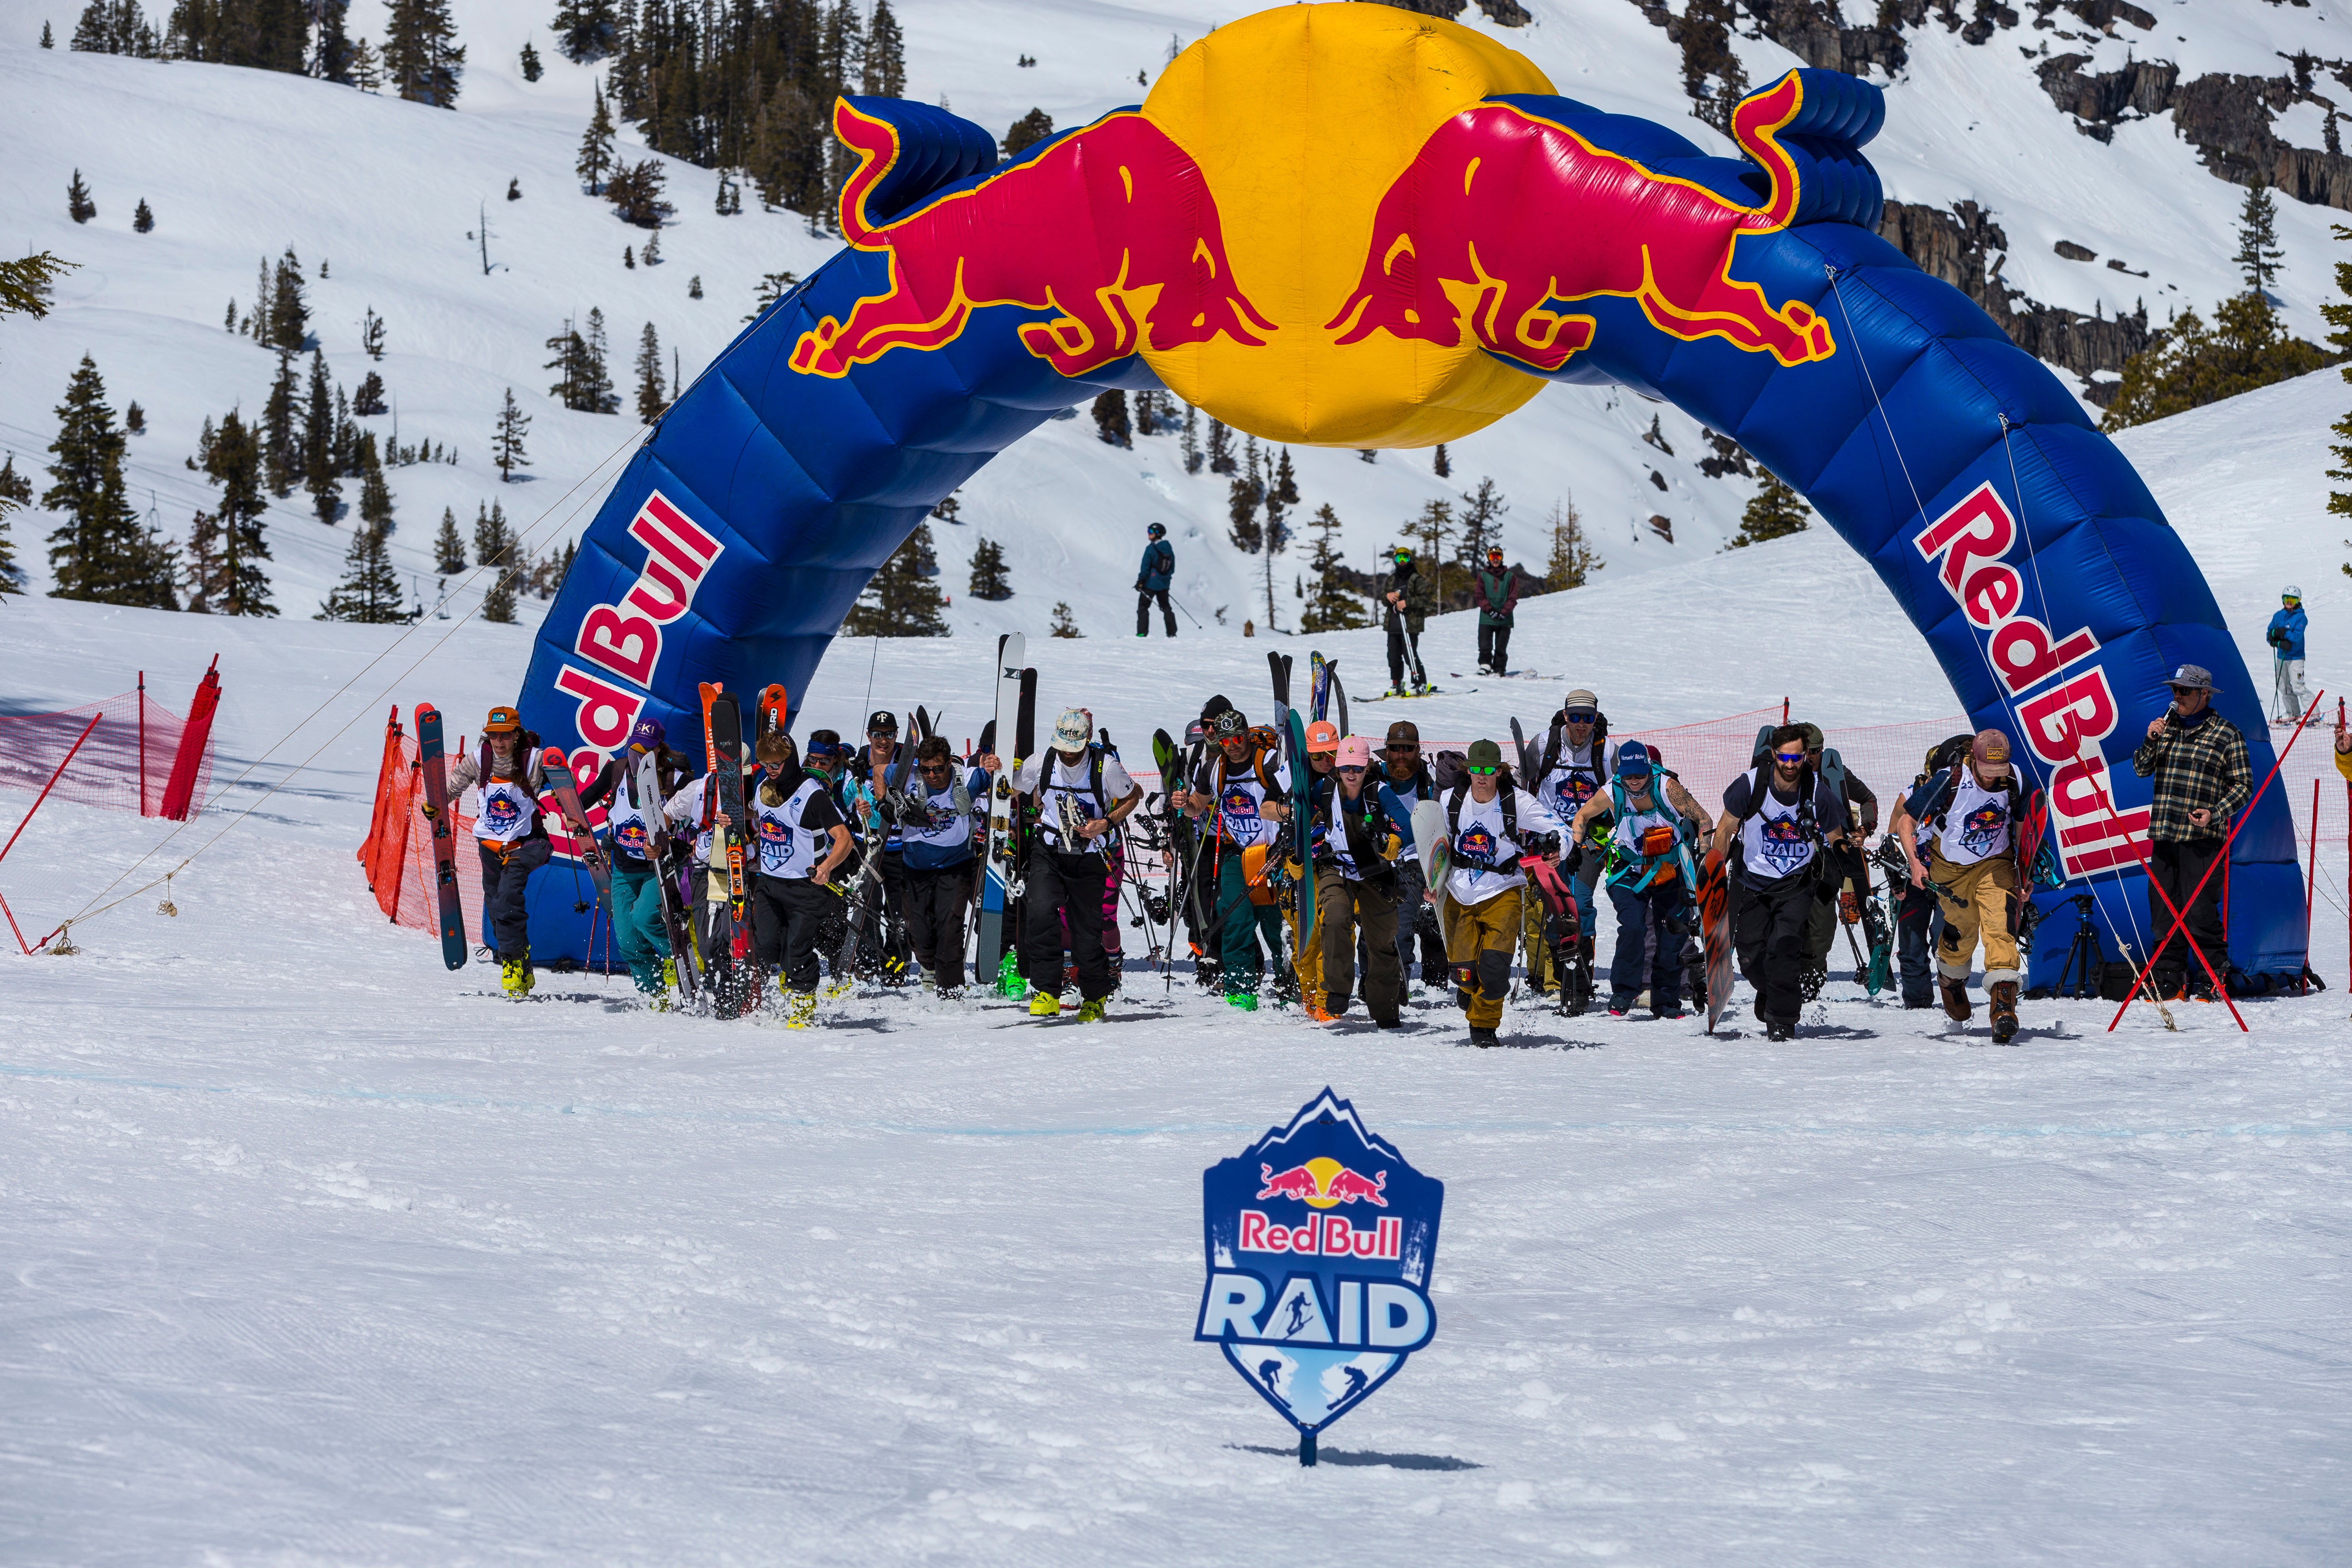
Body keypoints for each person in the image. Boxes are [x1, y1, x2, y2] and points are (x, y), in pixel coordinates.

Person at [1711, 723, 1851, 1040]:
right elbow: (1724, 830)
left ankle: (1782, 1021)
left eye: (1797, 758)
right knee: (1749, 957)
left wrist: (1846, 857)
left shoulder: (1817, 792)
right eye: (1784, 758)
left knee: (1785, 949)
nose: (1790, 765)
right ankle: (1775, 992)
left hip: (1796, 885)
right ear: (1774, 754)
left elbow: (1835, 837)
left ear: (1806, 757)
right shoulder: (1750, 785)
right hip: (1753, 884)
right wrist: (1716, 871)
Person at [1430, 738, 1564, 1046]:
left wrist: (1558, 848)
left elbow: (1558, 829)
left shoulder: (1516, 802)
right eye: (1475, 768)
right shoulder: (1451, 800)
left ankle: (1484, 1027)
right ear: (1468, 769)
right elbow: (1436, 848)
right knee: (1463, 973)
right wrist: (1432, 884)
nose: (1482, 775)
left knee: (1493, 969)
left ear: (1499, 772)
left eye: (1489, 769)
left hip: (1503, 889)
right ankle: (1470, 992)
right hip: (1459, 891)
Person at [1013, 708, 1144, 1019]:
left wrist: (1105, 823)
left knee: (1087, 933)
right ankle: (1046, 991)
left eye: (1074, 751)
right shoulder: (1041, 762)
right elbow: (1012, 789)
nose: (1067, 756)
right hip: (1049, 849)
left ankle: (1095, 998)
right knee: (1041, 912)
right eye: (1063, 749)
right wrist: (996, 772)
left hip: (1088, 856)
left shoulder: (1105, 767)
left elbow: (1132, 796)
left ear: (1087, 741)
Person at [2131, 664, 2251, 1000]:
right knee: (2163, 912)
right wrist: (2150, 738)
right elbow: (2141, 768)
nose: (2177, 697)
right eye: (2175, 690)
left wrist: (2215, 813)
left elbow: (2243, 785)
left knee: (2199, 910)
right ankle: (2170, 980)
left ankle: (2214, 976)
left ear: (2203, 695)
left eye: (2184, 691)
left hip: (2202, 838)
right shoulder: (2165, 728)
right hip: (2165, 834)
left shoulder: (2226, 734)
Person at [1899, 729, 2027, 1041]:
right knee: (1962, 931)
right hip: (1951, 870)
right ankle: (1951, 981)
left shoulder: (2016, 780)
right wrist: (1915, 863)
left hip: (1995, 863)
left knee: (2001, 925)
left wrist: (2025, 872)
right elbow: (1906, 821)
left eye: (2000, 770)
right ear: (1974, 761)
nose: (1993, 777)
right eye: (1987, 771)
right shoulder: (1950, 779)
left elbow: (2024, 827)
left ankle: (2003, 1010)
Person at [1569, 740, 1700, 1019]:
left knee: (1672, 933)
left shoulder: (1667, 788)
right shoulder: (1613, 789)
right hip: (1629, 871)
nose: (1635, 781)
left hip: (1670, 870)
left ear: (1649, 770)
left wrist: (1706, 854)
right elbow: (1582, 815)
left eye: (1640, 775)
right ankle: (1623, 993)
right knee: (1633, 926)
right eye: (1629, 776)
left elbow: (1704, 819)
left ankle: (1666, 1001)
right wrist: (1575, 847)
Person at [1175, 706, 1292, 1009]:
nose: (1234, 745)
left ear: (1247, 735)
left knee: (1274, 925)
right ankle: (1240, 987)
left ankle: (1288, 985)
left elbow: (1294, 791)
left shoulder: (1267, 762)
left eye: (1239, 738)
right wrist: (1182, 804)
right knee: (1236, 921)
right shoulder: (1215, 769)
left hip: (1274, 854)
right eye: (1227, 741)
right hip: (1237, 855)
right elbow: (1197, 805)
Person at [575, 717, 689, 1003]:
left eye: (646, 750)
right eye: (634, 748)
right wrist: (572, 811)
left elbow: (696, 814)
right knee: (626, 938)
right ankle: (654, 994)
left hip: (657, 870)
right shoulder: (616, 770)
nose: (639, 755)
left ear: (659, 750)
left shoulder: (674, 779)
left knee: (645, 918)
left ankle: (681, 958)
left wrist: (670, 845)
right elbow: (586, 798)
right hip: (625, 867)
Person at [441, 705, 552, 997]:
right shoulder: (480, 759)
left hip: (527, 844)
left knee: (505, 902)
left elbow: (566, 787)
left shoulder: (535, 760)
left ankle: (512, 966)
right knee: (496, 909)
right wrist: (437, 803)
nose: (499, 742)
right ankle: (523, 964)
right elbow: (454, 785)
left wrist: (565, 800)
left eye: (504, 735)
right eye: (493, 735)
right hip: (490, 846)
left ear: (516, 735)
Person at [748, 730, 853, 1026]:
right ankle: (790, 972)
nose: (771, 771)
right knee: (767, 946)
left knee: (797, 947)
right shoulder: (763, 789)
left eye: (776, 765)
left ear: (791, 760)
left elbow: (844, 839)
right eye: (766, 765)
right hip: (769, 883)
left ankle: (802, 1002)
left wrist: (827, 866)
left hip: (806, 888)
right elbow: (757, 818)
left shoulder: (811, 795)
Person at [1314, 735, 1409, 1026]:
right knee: (1335, 916)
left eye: (1357, 767)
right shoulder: (1326, 788)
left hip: (1374, 869)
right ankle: (1338, 990)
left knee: (1381, 939)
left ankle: (1385, 1007)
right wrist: (1298, 854)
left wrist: (1395, 841)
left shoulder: (1379, 792)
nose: (1351, 774)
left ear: (1367, 767)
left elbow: (1407, 825)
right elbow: (1303, 818)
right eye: (1345, 768)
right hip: (1337, 866)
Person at [1529, 693, 1610, 1004]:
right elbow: (1524, 783)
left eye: (1588, 718)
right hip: (1550, 839)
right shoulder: (1544, 744)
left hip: (1589, 840)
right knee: (1553, 905)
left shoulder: (1605, 751)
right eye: (1575, 717)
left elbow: (1623, 789)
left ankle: (1581, 977)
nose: (1581, 724)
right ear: (1565, 715)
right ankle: (1559, 977)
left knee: (1579, 900)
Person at [1792, 721, 1880, 996]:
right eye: (1805, 751)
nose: (1810, 758)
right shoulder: (1785, 774)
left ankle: (1812, 975)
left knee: (1821, 923)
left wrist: (1865, 828)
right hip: (1790, 857)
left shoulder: (1835, 773)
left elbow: (1868, 799)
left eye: (1815, 751)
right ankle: (1785, 975)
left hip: (1830, 860)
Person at [899, 735, 989, 993]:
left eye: (939, 768)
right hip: (916, 866)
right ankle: (928, 964)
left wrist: (994, 764)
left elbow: (996, 774)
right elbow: (882, 771)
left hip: (955, 864)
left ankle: (951, 989)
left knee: (950, 924)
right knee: (919, 927)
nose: (933, 775)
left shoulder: (966, 779)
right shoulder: (910, 778)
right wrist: (885, 801)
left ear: (949, 763)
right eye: (926, 769)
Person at [1377, 720, 1446, 991]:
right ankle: (1386, 981)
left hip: (1421, 864)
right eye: (1395, 748)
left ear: (1418, 750)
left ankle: (1434, 978)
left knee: (1429, 922)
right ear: (1387, 751)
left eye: (1408, 748)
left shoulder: (1429, 787)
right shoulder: (1374, 780)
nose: (1401, 754)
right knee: (1391, 928)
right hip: (1380, 864)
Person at [851, 710, 912, 982]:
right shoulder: (858, 764)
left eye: (889, 734)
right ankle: (868, 960)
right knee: (869, 907)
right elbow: (844, 800)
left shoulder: (907, 763)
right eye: (878, 734)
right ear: (869, 735)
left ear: (896, 735)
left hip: (900, 847)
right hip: (869, 846)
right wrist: (858, 808)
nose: (883, 740)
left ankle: (897, 962)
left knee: (900, 910)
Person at [1289, 718, 1341, 1009]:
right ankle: (1310, 996)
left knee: (1334, 930)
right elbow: (1266, 808)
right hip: (1303, 860)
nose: (1325, 761)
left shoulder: (1350, 770)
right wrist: (1291, 810)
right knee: (1307, 933)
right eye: (1318, 755)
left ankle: (1328, 997)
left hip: (1338, 863)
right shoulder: (1293, 774)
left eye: (1330, 753)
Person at [1380, 545, 1436, 697]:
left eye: (1406, 558)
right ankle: (1397, 683)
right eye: (1399, 558)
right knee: (1393, 655)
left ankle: (1420, 683)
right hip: (1394, 623)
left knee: (1410, 655)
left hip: (1410, 624)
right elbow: (1383, 596)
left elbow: (1425, 599)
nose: (1402, 561)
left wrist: (1407, 603)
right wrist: (1388, 597)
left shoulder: (1416, 578)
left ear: (1410, 560)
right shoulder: (1392, 579)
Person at [1471, 544, 1525, 676]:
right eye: (1492, 557)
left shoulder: (1510, 577)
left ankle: (1499, 668)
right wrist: (1489, 610)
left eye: (1498, 556)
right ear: (1489, 558)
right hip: (1486, 617)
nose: (1495, 560)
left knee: (1501, 647)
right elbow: (1479, 595)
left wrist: (1504, 612)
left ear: (1502, 558)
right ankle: (1485, 666)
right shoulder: (1483, 576)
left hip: (1504, 619)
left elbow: (1513, 597)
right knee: (1485, 645)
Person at [2267, 586, 2311, 725]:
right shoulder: (2278, 616)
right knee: (2283, 686)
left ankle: (2314, 715)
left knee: (2298, 686)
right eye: (2287, 599)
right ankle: (2293, 714)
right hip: (2282, 657)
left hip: (2296, 658)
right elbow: (2270, 635)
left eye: (2293, 599)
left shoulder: (2301, 618)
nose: (2289, 602)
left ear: (2298, 601)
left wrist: (2282, 633)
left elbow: (2296, 637)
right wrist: (2278, 642)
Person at [1136, 522, 1177, 638]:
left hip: (1150, 583)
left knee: (1143, 607)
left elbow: (1145, 567)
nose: (1149, 534)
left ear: (1158, 534)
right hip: (1164, 584)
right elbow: (1172, 568)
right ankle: (1172, 633)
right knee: (1166, 607)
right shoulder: (1168, 548)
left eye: (1151, 532)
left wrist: (1140, 582)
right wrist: (1164, 578)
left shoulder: (1151, 549)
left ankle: (1141, 633)